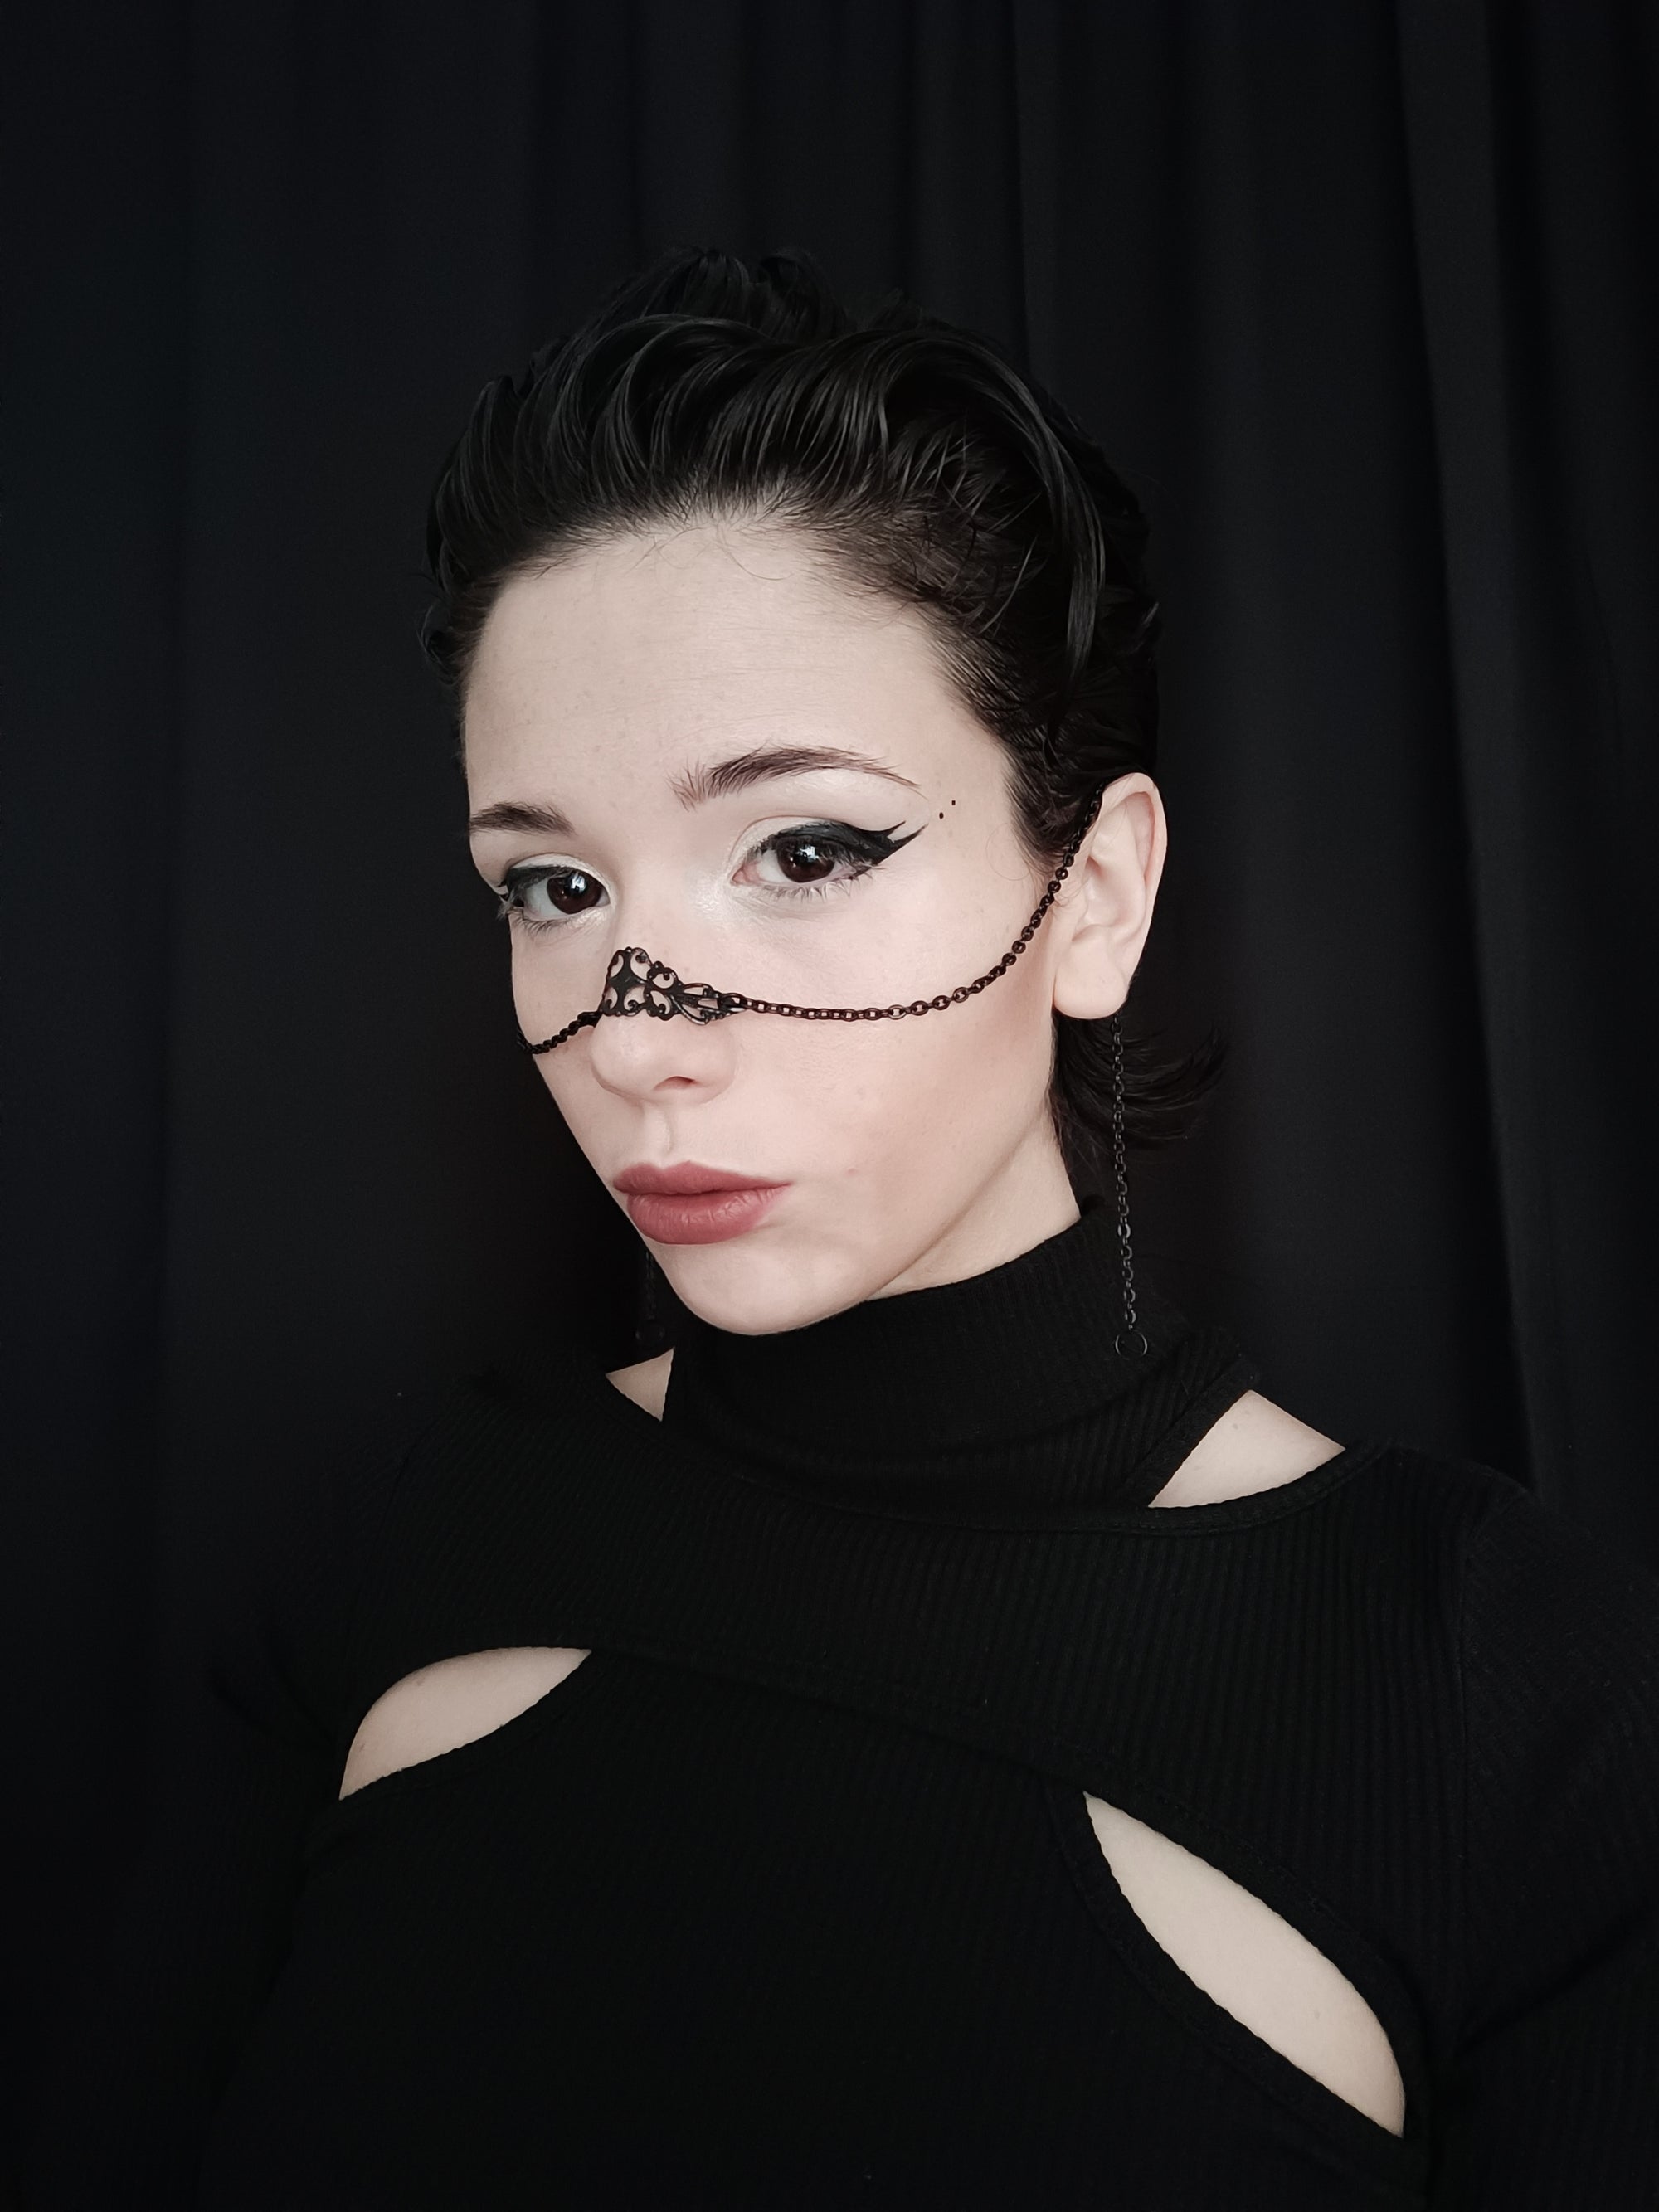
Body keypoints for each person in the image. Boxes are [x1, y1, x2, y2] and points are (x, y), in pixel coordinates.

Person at [18, 247, 1659, 2209]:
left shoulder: (1505, 1693)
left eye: (804, 848)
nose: (637, 1037)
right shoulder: (401, 1532)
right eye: (548, 881)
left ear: (1098, 894)